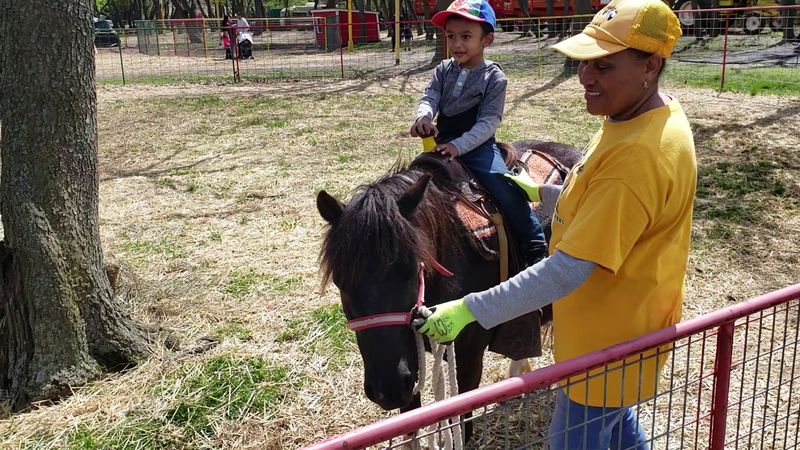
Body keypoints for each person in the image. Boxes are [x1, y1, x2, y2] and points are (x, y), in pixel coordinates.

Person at [416, 0, 695, 448]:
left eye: (603, 66)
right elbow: (607, 201)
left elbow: (568, 268)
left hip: (606, 342)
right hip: (619, 329)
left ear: (651, 65)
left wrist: (470, 309)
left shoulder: (638, 157)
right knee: (620, 428)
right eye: (585, 63)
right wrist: (547, 195)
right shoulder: (641, 115)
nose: (585, 77)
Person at [409, 0, 549, 267]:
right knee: (414, 184)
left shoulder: (494, 78)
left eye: (466, 37)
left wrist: (459, 146)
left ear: (487, 40)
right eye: (451, 36)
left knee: (504, 186)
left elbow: (488, 123)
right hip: (441, 146)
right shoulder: (443, 70)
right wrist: (423, 117)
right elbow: (430, 96)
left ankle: (534, 242)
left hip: (477, 148)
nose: (457, 44)